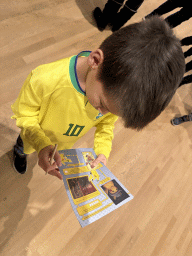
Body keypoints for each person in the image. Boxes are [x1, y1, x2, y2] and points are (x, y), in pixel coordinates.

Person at [11, 16, 185, 179]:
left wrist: (102, 151)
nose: (101, 112)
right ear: (95, 60)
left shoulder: (114, 95)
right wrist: (41, 144)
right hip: (32, 134)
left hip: (63, 143)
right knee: (24, 146)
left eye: (109, 110)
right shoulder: (45, 79)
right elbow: (25, 115)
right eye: (102, 104)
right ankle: (19, 152)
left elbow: (106, 125)